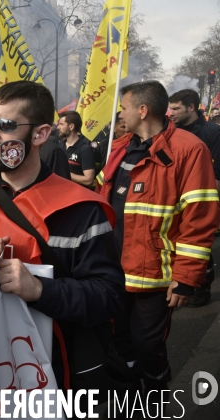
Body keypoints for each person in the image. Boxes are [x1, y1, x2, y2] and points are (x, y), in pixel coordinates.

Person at [0, 81, 125, 393]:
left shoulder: (83, 209)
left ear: (40, 134)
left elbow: (110, 297)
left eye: (6, 125)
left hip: (58, 378)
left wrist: (38, 289)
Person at [97, 81, 220, 395]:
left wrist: (187, 278)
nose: (119, 113)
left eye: (123, 107)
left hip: (157, 276)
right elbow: (98, 198)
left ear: (142, 110)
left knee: (147, 345)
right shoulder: (120, 148)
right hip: (113, 271)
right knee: (117, 341)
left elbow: (200, 219)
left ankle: (154, 395)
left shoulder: (188, 150)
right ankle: (125, 395)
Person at [168, 89, 220, 307]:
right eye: (170, 108)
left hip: (201, 194)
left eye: (176, 108)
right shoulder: (170, 131)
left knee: (199, 243)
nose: (171, 113)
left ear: (191, 107)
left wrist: (211, 203)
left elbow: (216, 173)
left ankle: (203, 285)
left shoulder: (212, 133)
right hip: (175, 197)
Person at [58, 111, 96, 188]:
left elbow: (88, 180)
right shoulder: (60, 146)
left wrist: (64, 173)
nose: (58, 127)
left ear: (71, 126)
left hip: (77, 196)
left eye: (61, 124)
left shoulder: (85, 150)